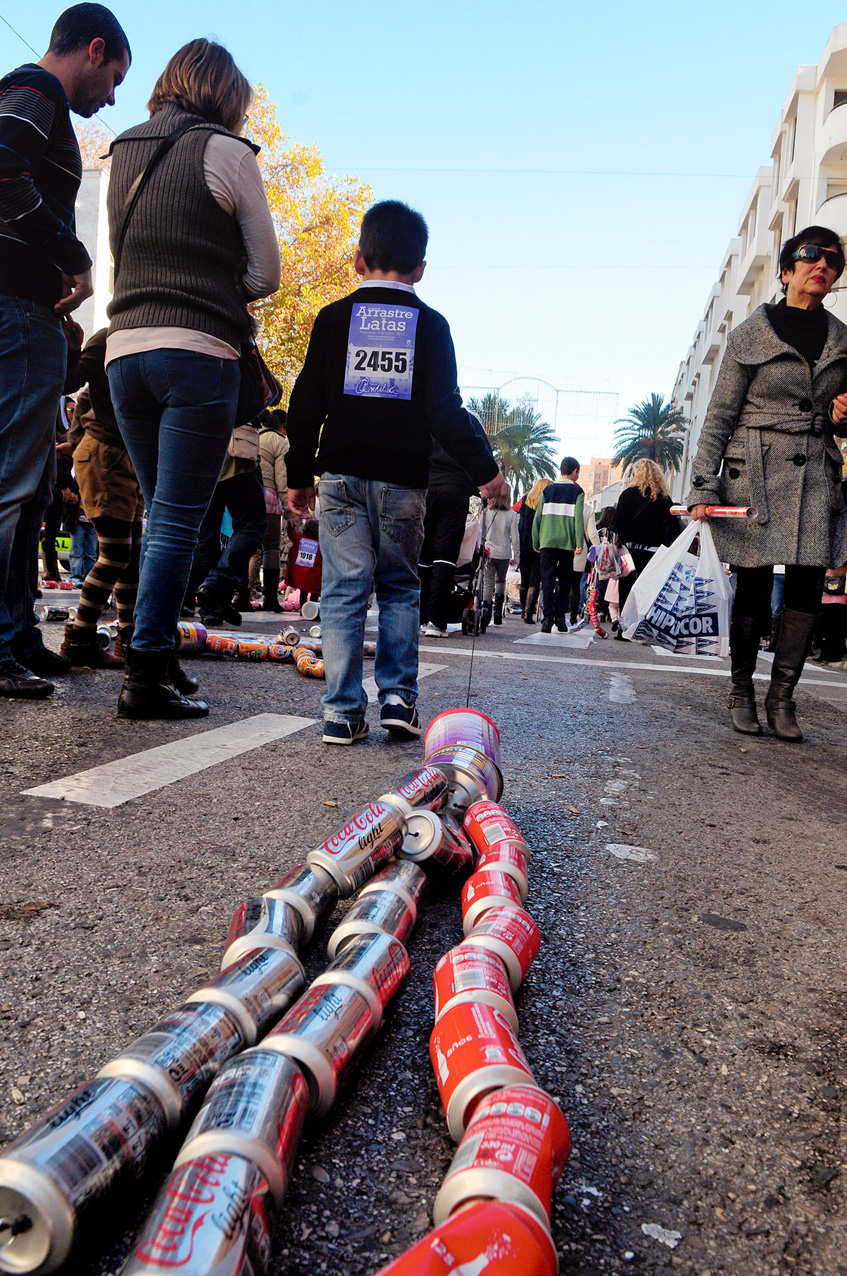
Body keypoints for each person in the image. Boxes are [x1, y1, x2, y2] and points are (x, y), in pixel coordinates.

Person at [286, 199, 506, 744]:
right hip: (404, 481)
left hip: (338, 475)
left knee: (342, 591)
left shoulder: (333, 319)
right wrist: (488, 474)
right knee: (401, 587)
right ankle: (398, 700)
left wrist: (298, 474)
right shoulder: (430, 326)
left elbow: (305, 402)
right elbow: (446, 412)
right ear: (421, 269)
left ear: (358, 260)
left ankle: (340, 710)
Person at [105, 39, 281, 719]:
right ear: (226, 94)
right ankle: (145, 674)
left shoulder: (121, 148)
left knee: (160, 517)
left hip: (125, 352)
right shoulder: (227, 151)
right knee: (179, 521)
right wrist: (211, 289)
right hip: (196, 352)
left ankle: (158, 655)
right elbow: (265, 275)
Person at [0, 3, 131, 698]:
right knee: (11, 488)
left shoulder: (35, 97)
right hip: (16, 310)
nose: (110, 95)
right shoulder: (37, 89)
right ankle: (1, 643)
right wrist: (69, 252)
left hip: (29, 313)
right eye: (113, 77)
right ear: (93, 48)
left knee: (25, 492)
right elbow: (0, 163)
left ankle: (18, 635)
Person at [687, 225, 847, 742]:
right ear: (785, 270)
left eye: (833, 261)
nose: (822, 264)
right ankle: (741, 692)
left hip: (816, 471)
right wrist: (702, 486)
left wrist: (843, 416)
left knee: (805, 585)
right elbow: (719, 415)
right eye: (810, 255)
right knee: (754, 583)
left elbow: (842, 414)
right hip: (753, 468)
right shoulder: (750, 335)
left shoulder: (844, 340)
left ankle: (782, 698)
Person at [58, 327, 147, 671]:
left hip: (126, 456)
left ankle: (128, 640)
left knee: (131, 556)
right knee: (116, 554)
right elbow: (75, 384)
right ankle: (80, 638)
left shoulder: (142, 335)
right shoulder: (112, 335)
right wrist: (79, 439)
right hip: (104, 454)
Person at [419, 411, 494, 638]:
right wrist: (479, 487)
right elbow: (482, 454)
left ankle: (420, 615)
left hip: (426, 487)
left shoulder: (428, 416)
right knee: (445, 554)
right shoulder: (468, 420)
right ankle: (436, 620)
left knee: (423, 553)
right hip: (455, 491)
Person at [612, 459, 681, 637]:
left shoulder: (628, 495)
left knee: (626, 587)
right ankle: (643, 627)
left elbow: (617, 522)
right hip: (653, 552)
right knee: (647, 589)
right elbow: (674, 527)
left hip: (630, 550)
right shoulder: (664, 498)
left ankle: (625, 627)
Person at [531, 457, 584, 634]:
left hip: (547, 541)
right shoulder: (577, 492)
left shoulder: (548, 490)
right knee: (565, 581)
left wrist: (536, 540)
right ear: (575, 471)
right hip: (567, 543)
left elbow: (537, 517)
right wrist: (578, 541)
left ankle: (547, 620)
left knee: (547, 581)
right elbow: (578, 519)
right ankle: (560, 618)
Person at [253, 408, 290, 612]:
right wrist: (288, 508)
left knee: (249, 545)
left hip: (248, 492)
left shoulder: (254, 436)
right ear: (282, 426)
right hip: (269, 496)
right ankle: (270, 598)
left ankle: (240, 593)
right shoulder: (279, 442)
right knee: (272, 547)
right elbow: (282, 478)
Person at [480, 488, 519, 625]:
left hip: (488, 552)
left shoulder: (486, 513)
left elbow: (480, 533)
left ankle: (486, 610)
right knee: (501, 581)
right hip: (504, 553)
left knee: (488, 582)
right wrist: (517, 557)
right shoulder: (512, 515)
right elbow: (515, 538)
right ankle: (498, 611)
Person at [517, 478, 551, 624]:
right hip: (539, 545)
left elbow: (521, 525)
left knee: (525, 578)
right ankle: (528, 612)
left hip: (524, 545)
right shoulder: (545, 504)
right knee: (535, 579)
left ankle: (524, 609)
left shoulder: (526, 501)